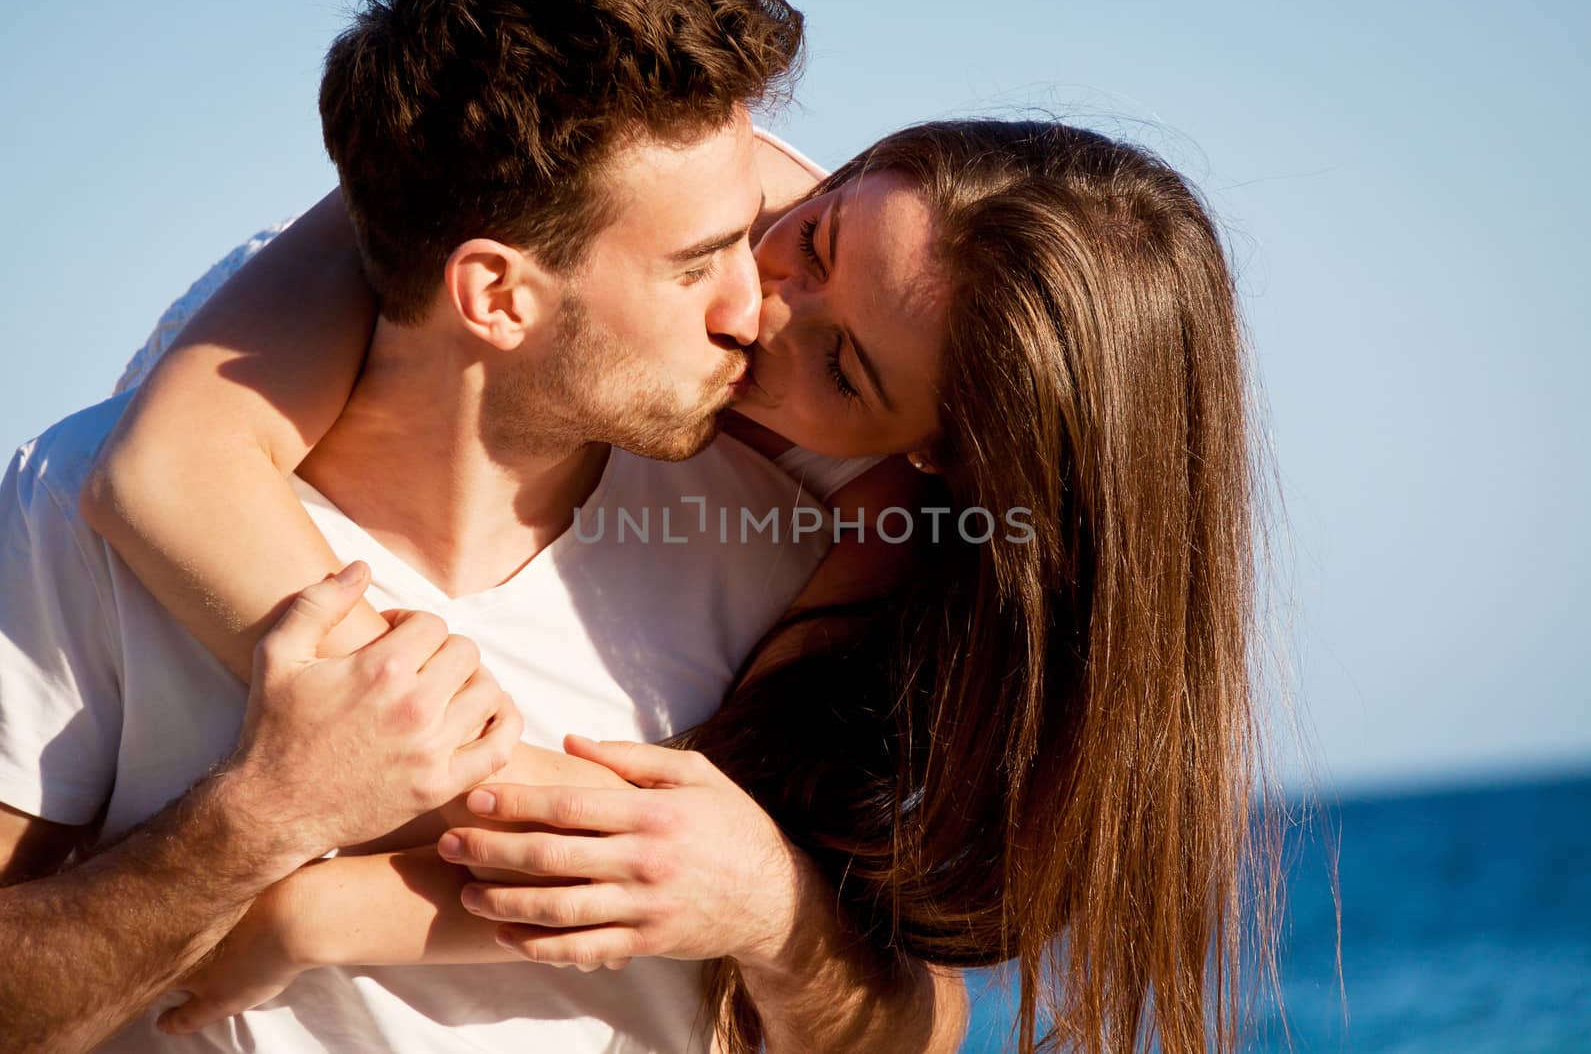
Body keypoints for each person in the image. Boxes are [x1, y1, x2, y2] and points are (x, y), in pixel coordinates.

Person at [82, 107, 1281, 1054]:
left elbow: (857, 977)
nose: (760, 306)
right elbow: (168, 472)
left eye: (844, 368)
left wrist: (327, 911)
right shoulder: (674, 184)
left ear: (936, 452)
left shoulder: (897, 542)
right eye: (810, 240)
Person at [0, 0, 969, 1051]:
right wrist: (257, 819)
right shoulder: (79, 500)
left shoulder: (793, 553)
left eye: (758, 234)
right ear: (496, 295)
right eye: (698, 263)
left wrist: (772, 912)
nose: (752, 310)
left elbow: (917, 1023)